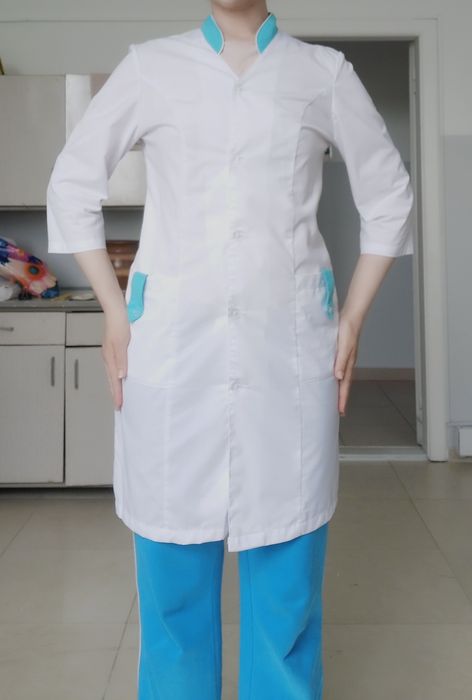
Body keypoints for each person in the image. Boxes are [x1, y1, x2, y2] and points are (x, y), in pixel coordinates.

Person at [46, 1, 415, 698]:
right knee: (174, 593)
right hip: (172, 353)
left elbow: (390, 195)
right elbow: (71, 184)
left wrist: (353, 319)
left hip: (288, 358)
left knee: (286, 593)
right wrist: (115, 311)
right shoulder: (151, 67)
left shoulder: (323, 73)